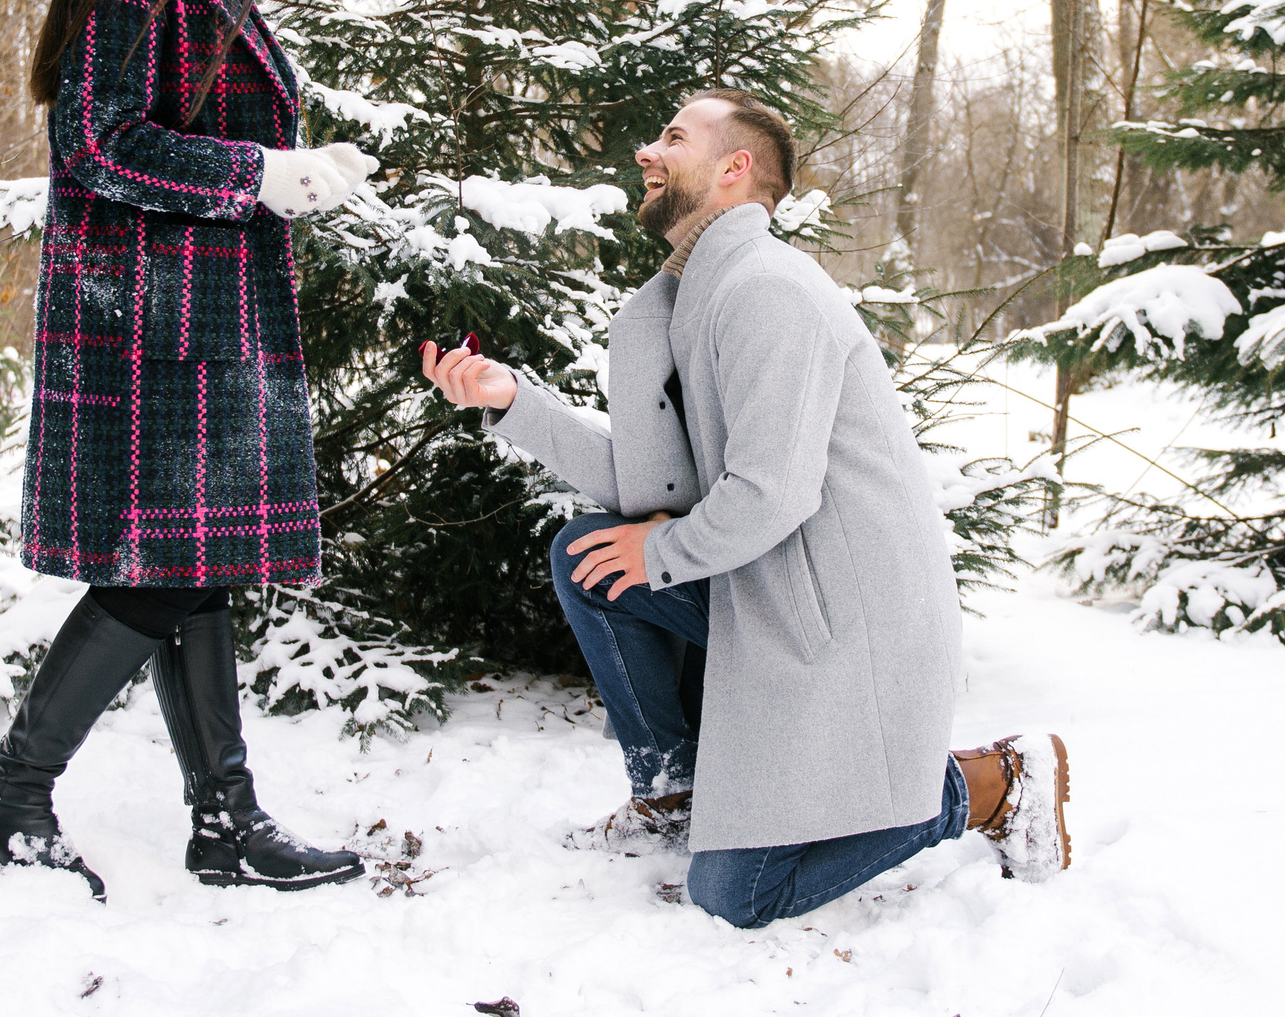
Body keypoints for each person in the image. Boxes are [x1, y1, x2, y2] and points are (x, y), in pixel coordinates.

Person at [421, 89, 1073, 928]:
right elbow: (655, 494)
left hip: (843, 621)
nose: (646, 154)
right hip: (767, 582)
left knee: (738, 895)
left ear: (734, 170)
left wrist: (658, 558)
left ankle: (988, 785)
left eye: (672, 137)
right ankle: (677, 794)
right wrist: (513, 400)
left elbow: (774, 491)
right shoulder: (682, 303)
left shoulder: (769, 290)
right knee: (588, 553)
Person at [0, 0, 380, 901]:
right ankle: (9, 799)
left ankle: (224, 822)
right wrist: (257, 177)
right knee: (160, 577)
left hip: (205, 315)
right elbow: (96, 142)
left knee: (199, 573)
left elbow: (197, 135)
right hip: (147, 326)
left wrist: (301, 169)